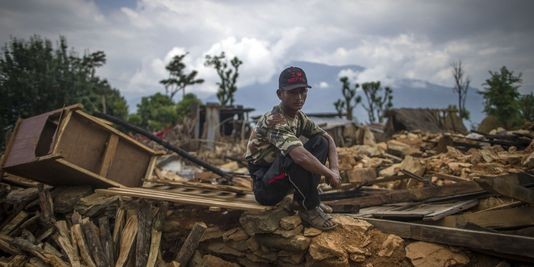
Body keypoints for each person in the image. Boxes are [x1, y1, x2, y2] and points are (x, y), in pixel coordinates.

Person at [245, 66, 341, 230]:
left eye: (303, 91)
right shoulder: (274, 120)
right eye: (292, 92)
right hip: (266, 187)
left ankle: (304, 200)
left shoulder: (299, 117)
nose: (299, 97)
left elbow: (328, 139)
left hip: (281, 177)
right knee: (293, 155)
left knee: (320, 142)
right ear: (280, 94)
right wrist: (328, 173)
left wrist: (335, 169)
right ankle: (309, 207)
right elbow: (300, 157)